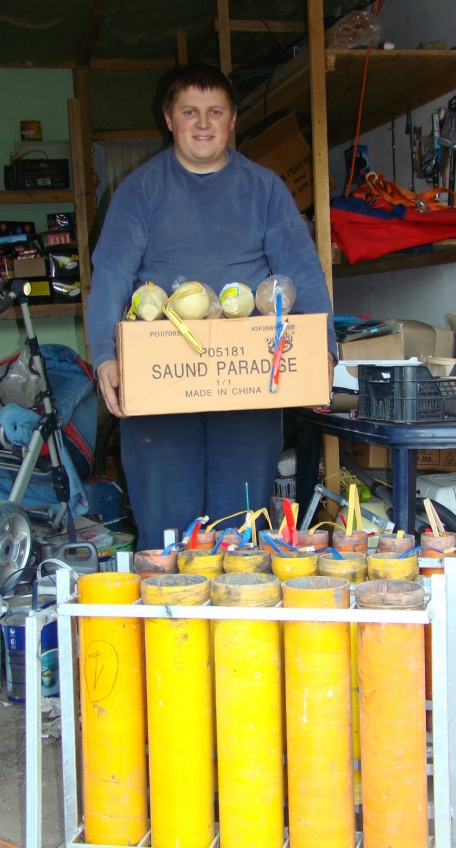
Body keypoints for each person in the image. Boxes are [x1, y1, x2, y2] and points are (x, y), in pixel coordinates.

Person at [87, 63, 337, 550]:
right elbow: (112, 275)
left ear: (232, 119)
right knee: (165, 543)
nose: (203, 123)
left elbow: (302, 271)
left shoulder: (265, 190)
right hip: (160, 384)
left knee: (240, 537)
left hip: (245, 387)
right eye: (190, 111)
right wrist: (104, 355)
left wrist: (322, 349)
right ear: (169, 119)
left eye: (215, 111)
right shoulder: (138, 191)